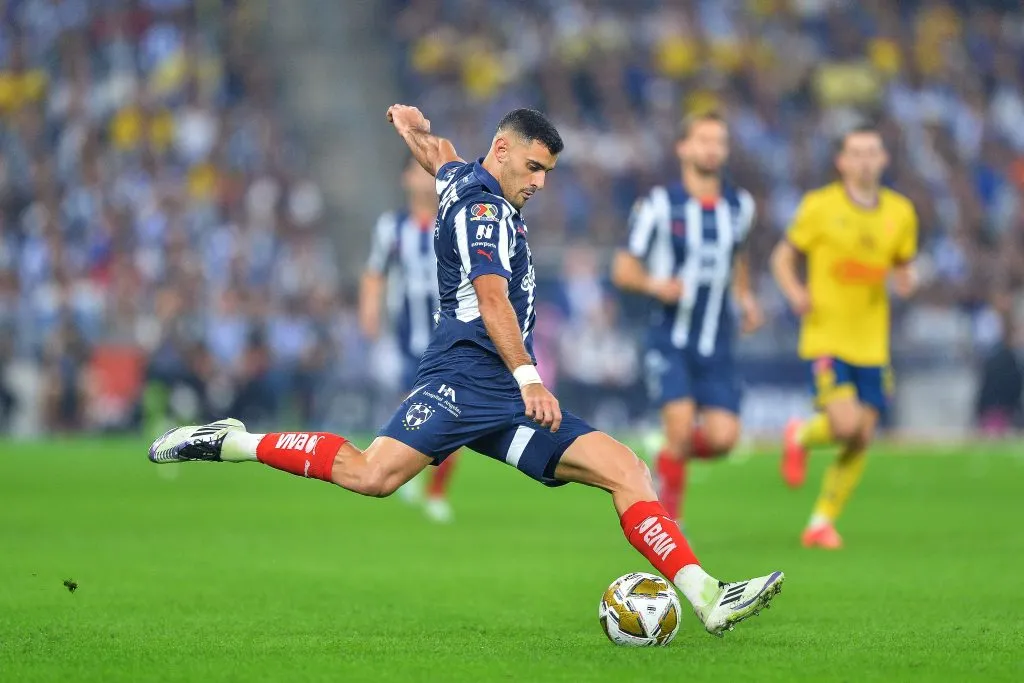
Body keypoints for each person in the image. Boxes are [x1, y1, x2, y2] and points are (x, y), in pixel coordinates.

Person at [149, 105, 783, 635]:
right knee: (372, 475)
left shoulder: (459, 179)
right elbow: (491, 297)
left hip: (501, 395)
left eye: (549, 172)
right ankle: (232, 440)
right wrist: (531, 376)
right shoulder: (486, 212)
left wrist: (413, 131)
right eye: (533, 167)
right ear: (502, 151)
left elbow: (442, 155)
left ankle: (706, 596)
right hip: (461, 382)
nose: (539, 182)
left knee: (626, 468)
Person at [770, 124, 918, 549]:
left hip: (873, 342)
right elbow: (783, 257)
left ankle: (820, 522)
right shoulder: (820, 206)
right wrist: (797, 293)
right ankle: (799, 434)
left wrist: (907, 279)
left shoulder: (901, 212)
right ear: (842, 161)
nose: (866, 160)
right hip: (826, 336)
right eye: (857, 153)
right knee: (845, 423)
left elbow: (902, 263)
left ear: (884, 159)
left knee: (862, 436)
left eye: (873, 151)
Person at [612, 111, 762, 522]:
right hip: (669, 335)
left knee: (724, 439)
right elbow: (623, 269)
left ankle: (667, 458)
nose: (711, 148)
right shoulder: (659, 205)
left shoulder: (740, 206)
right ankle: (670, 521)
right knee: (679, 429)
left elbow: (739, 259)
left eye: (719, 141)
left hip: (718, 338)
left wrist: (746, 298)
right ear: (683, 148)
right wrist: (656, 285)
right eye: (703, 140)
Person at [359, 156, 458, 523]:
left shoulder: (452, 222)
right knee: (413, 411)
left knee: (452, 409)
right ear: (405, 178)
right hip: (407, 334)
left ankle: (436, 491)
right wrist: (369, 312)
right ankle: (407, 473)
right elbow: (375, 272)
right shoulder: (392, 227)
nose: (424, 179)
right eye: (418, 171)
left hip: (448, 335)